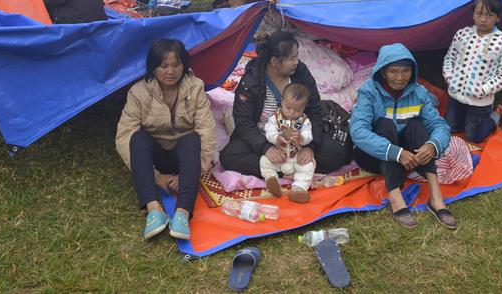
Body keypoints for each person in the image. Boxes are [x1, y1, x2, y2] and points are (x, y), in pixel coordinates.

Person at [115, 39, 217, 240]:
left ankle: (182, 214)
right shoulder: (139, 92)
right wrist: (155, 176)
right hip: (156, 156)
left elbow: (206, 129)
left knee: (192, 139)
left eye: (176, 65)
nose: (170, 71)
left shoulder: (195, 88)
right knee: (137, 138)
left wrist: (196, 171)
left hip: (185, 156)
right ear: (153, 68)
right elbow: (124, 135)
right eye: (163, 66)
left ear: (184, 65)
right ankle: (154, 210)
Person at [351, 43, 456, 229]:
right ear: (382, 72)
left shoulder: (419, 93)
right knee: (385, 125)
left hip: (408, 158)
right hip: (373, 157)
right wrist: (395, 153)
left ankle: (436, 196)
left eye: (405, 71)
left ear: (412, 71)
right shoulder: (369, 92)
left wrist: (432, 145)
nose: (400, 78)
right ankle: (395, 197)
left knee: (416, 125)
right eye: (393, 72)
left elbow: (439, 125)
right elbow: (358, 131)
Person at [219, 31, 346, 178]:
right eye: (292, 58)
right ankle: (288, 170)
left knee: (336, 153)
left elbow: (315, 110)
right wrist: (265, 148)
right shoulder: (252, 79)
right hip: (264, 135)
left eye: (297, 56)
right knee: (229, 156)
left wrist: (310, 147)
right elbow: (243, 120)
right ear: (274, 61)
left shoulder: (300, 72)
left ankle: (279, 167)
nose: (296, 62)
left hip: (298, 135)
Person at [442, 0, 502, 143]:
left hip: (480, 101)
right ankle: (461, 118)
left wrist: (484, 90)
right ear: (473, 15)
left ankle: (496, 114)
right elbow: (450, 57)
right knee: (451, 128)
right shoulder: (462, 34)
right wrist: (449, 77)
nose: (483, 19)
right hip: (456, 95)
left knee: (473, 137)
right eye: (479, 14)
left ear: (498, 17)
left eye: (489, 15)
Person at [261, 83, 315, 203]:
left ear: (304, 108)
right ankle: (271, 179)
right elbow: (268, 131)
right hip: (279, 155)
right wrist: (276, 138)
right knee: (264, 161)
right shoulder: (275, 117)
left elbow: (308, 136)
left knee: (309, 166)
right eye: (288, 108)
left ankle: (298, 189)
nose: (291, 112)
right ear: (282, 101)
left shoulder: (304, 121)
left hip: (296, 157)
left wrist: (301, 138)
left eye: (297, 110)